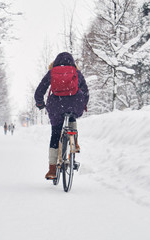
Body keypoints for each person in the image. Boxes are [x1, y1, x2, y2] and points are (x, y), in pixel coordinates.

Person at [34, 52, 89, 180]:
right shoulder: (76, 72)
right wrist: (83, 103)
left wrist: (40, 103)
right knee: (72, 114)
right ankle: (74, 142)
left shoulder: (52, 72)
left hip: (56, 105)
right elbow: (86, 91)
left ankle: (52, 169)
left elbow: (39, 90)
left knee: (55, 134)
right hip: (75, 102)